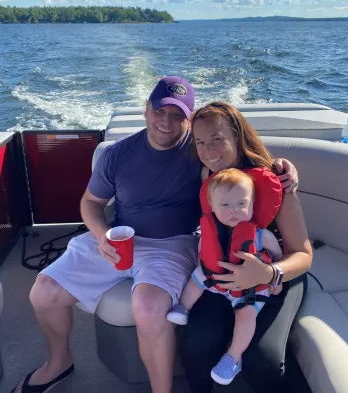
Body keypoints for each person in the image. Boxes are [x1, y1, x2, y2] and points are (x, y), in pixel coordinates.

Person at [11, 76, 299, 393]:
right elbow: (91, 203)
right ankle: (58, 362)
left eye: (177, 115)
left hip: (173, 243)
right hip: (119, 237)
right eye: (160, 111)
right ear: (146, 110)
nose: (166, 122)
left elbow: (236, 154)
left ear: (188, 121)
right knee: (44, 291)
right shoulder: (117, 155)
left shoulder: (200, 151)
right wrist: (102, 233)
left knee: (148, 308)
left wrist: (280, 165)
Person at [180, 101, 312, 393]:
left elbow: (303, 256)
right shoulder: (208, 176)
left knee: (261, 360)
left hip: (278, 277)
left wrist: (267, 273)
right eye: (200, 142)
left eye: (217, 139)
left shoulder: (276, 181)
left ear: (238, 137)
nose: (208, 151)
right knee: (197, 342)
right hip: (222, 277)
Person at [167, 168, 284, 385]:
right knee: (197, 276)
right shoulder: (208, 233)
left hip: (249, 289)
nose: (234, 211)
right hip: (218, 282)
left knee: (247, 315)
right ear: (212, 206)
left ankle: (233, 358)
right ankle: (183, 307)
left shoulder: (262, 236)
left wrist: (274, 280)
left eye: (242, 204)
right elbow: (202, 259)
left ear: (252, 204)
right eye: (225, 205)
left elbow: (277, 256)